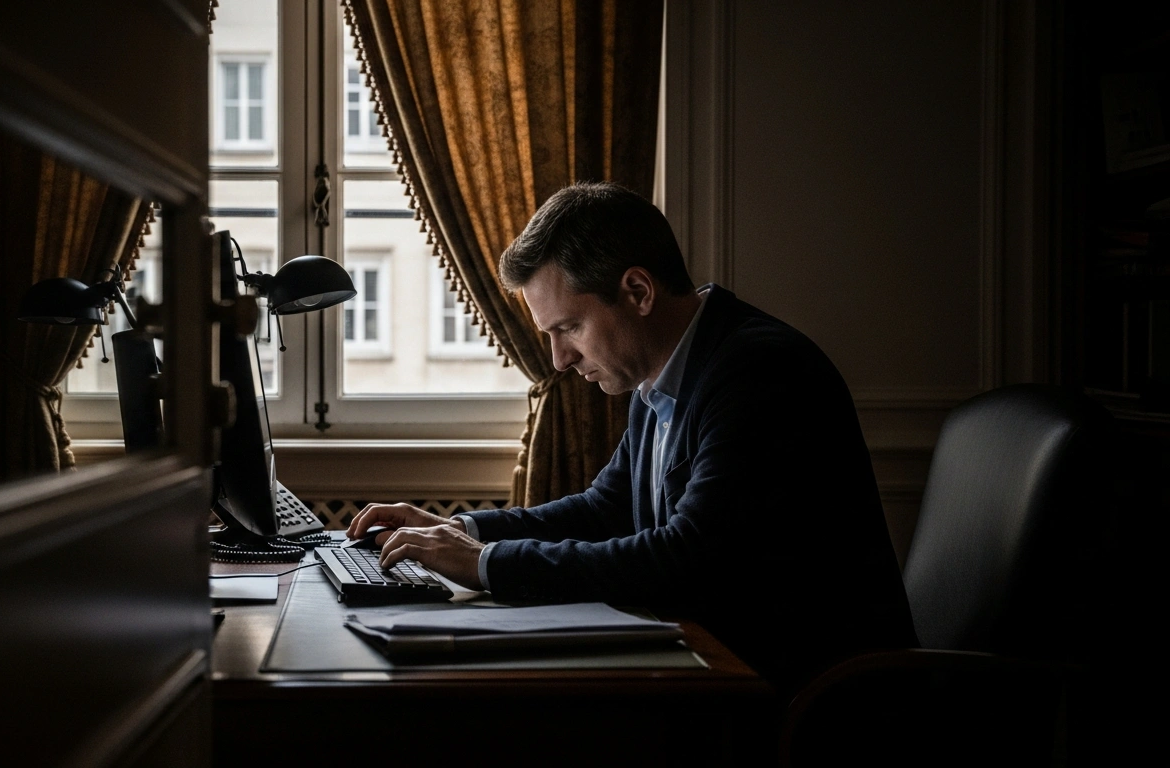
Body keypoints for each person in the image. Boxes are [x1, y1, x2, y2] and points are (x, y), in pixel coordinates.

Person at [347, 181, 916, 692]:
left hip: (808, 697)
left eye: (569, 327)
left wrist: (486, 563)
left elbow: (686, 557)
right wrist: (459, 530)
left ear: (638, 291)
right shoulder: (662, 372)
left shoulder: (758, 373)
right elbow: (606, 509)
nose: (561, 358)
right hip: (720, 670)